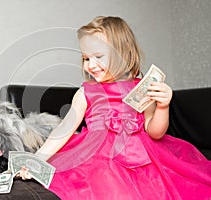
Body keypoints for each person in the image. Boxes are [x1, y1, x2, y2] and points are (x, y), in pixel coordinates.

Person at [19, 16, 211, 199]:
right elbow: (63, 130)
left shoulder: (142, 88)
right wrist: (38, 158)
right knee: (105, 184)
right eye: (86, 58)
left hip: (144, 158)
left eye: (98, 57)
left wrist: (163, 106)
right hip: (98, 159)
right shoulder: (86, 92)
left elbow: (155, 132)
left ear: (122, 53)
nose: (91, 65)